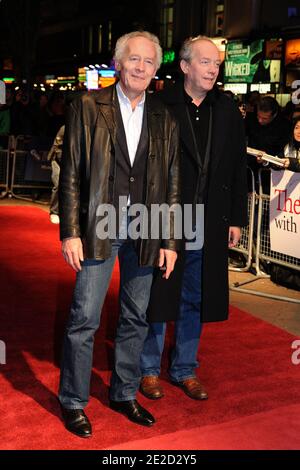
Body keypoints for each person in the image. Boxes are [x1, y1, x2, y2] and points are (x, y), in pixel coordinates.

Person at [58, 31, 180, 438]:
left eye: (149, 61)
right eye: (134, 59)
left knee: (135, 315)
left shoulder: (164, 114)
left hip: (147, 224)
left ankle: (124, 392)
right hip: (100, 221)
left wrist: (170, 240)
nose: (141, 67)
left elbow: (174, 181)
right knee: (85, 317)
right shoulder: (89, 106)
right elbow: (73, 171)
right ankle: (73, 401)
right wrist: (71, 232)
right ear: (118, 62)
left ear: (155, 68)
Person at [140, 36, 248, 402]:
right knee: (159, 293)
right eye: (205, 62)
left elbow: (237, 166)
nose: (213, 69)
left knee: (195, 296)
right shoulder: (160, 106)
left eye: (216, 63)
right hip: (167, 216)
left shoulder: (228, 110)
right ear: (185, 66)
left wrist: (236, 218)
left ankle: (185, 368)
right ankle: (148, 369)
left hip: (209, 219)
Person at [48, 125, 64, 224]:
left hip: (72, 161)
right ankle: (54, 211)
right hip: (58, 160)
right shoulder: (65, 128)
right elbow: (57, 148)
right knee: (58, 184)